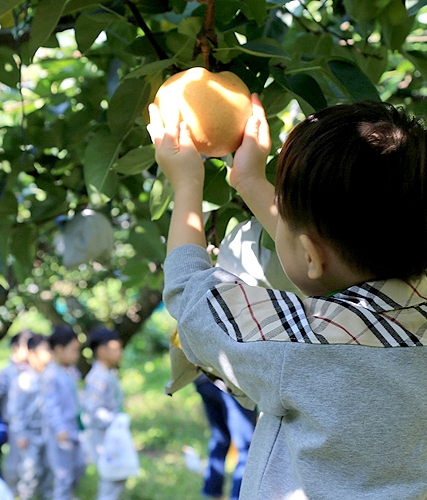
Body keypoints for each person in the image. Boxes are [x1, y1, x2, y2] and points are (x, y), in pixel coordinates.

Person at [147, 97, 427, 499]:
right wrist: (248, 180)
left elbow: (188, 292)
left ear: (311, 255)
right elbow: (330, 252)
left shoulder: (303, 344)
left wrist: (187, 183)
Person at [193, 374, 257, 500]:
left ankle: (212, 492)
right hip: (232, 383)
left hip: (204, 379)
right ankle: (237, 496)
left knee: (220, 438)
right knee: (247, 447)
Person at [81, 327, 125, 500]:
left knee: (117, 477)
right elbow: (93, 409)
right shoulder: (98, 377)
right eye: (116, 348)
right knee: (110, 480)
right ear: (101, 350)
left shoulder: (108, 373)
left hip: (112, 433)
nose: (120, 352)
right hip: (102, 434)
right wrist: (114, 420)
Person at [7, 334, 53, 500]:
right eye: (45, 350)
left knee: (49, 469)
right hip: (29, 434)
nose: (49, 354)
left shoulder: (51, 378)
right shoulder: (23, 380)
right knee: (30, 471)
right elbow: (14, 410)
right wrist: (20, 433)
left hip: (48, 432)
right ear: (32, 354)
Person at [42, 325, 85, 500]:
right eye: (73, 351)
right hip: (60, 432)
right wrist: (59, 428)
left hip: (74, 427)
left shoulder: (71, 371)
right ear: (59, 350)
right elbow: (51, 405)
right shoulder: (50, 375)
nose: (76, 355)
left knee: (79, 466)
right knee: (63, 475)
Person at [0, 329, 33, 494]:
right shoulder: (5, 373)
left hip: (31, 424)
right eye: (27, 344)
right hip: (11, 424)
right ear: (16, 347)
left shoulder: (32, 371)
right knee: (13, 465)